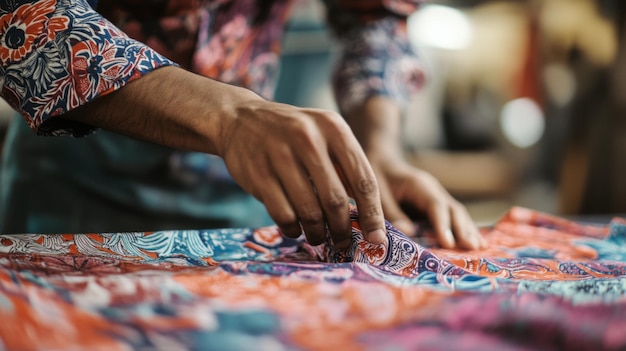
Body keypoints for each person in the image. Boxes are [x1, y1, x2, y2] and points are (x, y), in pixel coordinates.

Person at [0, 0, 484, 249]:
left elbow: (373, 16)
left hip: (248, 189)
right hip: (72, 175)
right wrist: (229, 116)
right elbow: (19, 13)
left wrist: (380, 151)